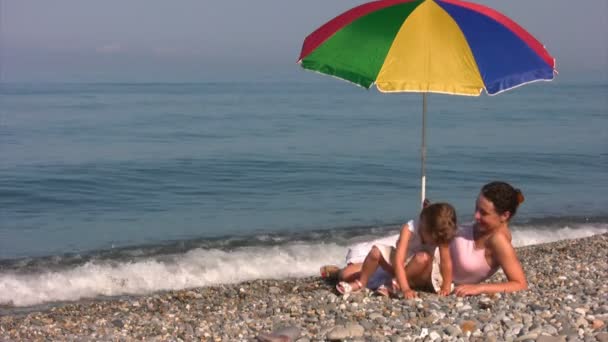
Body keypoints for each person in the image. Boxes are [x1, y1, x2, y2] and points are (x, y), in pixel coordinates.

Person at [335, 203, 458, 298]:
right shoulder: (409, 228)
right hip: (403, 265)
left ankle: (393, 285)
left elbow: (446, 262)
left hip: (423, 272)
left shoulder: (440, 235)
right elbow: (399, 261)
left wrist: (446, 286)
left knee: (422, 257)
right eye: (433, 240)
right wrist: (405, 289)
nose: (433, 243)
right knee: (374, 252)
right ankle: (361, 282)